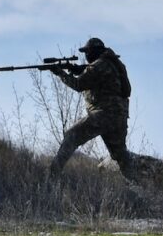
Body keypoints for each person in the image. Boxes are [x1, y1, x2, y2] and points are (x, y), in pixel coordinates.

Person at [47, 37, 131, 173]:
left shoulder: (98, 66)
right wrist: (76, 69)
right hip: (119, 117)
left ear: (95, 52)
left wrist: (60, 73)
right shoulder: (113, 64)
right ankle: (139, 184)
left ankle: (52, 174)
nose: (86, 55)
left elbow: (78, 85)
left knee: (71, 135)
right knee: (120, 156)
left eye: (88, 52)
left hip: (104, 114)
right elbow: (97, 78)